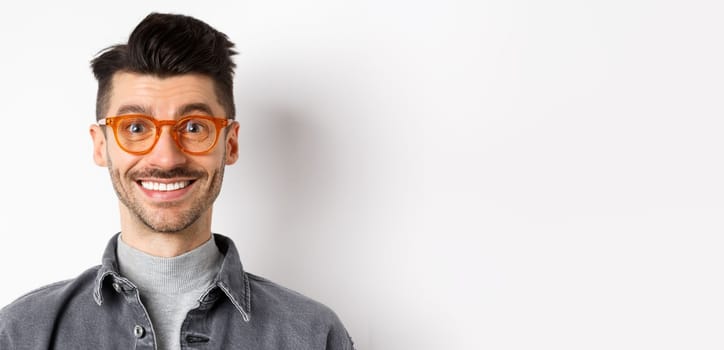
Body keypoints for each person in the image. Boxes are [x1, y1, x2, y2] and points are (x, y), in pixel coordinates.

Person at [0, 12, 354, 350]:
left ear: (229, 144)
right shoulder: (21, 333)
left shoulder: (312, 336)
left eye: (194, 127)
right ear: (100, 145)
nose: (166, 158)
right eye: (136, 128)